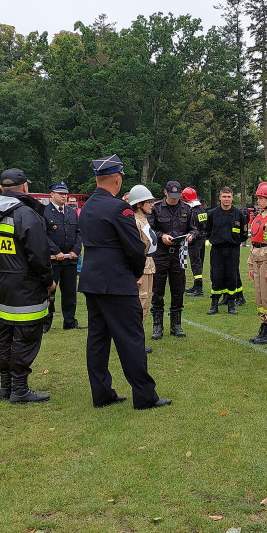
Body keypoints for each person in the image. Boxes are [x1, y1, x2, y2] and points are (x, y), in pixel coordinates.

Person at [79, 155, 169, 410]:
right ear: (117, 179)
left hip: (92, 280)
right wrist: (137, 272)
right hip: (117, 281)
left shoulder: (87, 207)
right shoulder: (120, 208)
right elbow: (134, 247)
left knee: (97, 339)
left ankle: (102, 393)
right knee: (131, 339)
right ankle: (144, 395)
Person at [0, 168, 54, 403]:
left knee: (6, 334)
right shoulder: (26, 214)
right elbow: (39, 255)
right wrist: (49, 281)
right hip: (28, 285)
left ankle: (6, 386)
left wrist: (3, 266)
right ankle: (19, 389)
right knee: (26, 336)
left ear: (2, 188)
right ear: (25, 188)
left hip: (4, 284)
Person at [147, 181, 198, 340]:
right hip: (161, 253)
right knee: (158, 289)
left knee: (178, 289)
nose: (174, 199)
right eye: (171, 196)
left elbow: (195, 229)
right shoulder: (155, 208)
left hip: (179, 254)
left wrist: (191, 236)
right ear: (165, 192)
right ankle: (157, 325)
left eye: (177, 196)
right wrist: (162, 236)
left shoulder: (187, 209)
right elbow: (149, 229)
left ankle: (176, 324)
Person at [43, 182, 83, 333]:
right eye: (60, 193)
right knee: (49, 292)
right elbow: (43, 235)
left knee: (70, 293)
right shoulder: (45, 212)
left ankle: (70, 321)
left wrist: (76, 250)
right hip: (53, 259)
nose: (63, 196)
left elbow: (79, 233)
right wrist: (56, 250)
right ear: (51, 194)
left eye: (65, 193)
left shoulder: (72, 212)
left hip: (70, 259)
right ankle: (45, 324)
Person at [204, 186, 247, 315]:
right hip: (217, 250)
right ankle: (214, 305)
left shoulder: (239, 214)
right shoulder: (212, 214)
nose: (226, 199)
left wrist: (234, 240)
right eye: (224, 196)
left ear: (232, 198)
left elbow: (244, 234)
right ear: (219, 197)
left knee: (232, 276)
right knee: (216, 276)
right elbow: (207, 231)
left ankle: (231, 305)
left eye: (229, 197)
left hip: (233, 250)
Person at [127, 184, 158, 354]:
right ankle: (134, 343)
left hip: (148, 265)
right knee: (140, 304)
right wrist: (137, 273)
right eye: (149, 202)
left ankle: (136, 340)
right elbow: (135, 249)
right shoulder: (135, 221)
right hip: (142, 267)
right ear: (139, 204)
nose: (152, 204)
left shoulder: (144, 220)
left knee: (145, 304)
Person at [248, 183, 267, 343]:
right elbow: (253, 240)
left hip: (266, 259)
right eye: (258, 198)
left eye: (261, 198)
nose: (258, 201)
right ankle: (264, 324)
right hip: (256, 255)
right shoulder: (258, 216)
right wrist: (251, 264)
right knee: (259, 296)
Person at [182, 187, 206, 296]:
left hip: (194, 240)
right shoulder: (201, 209)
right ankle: (196, 286)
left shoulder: (190, 210)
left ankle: (198, 288)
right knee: (199, 262)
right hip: (202, 239)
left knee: (195, 263)